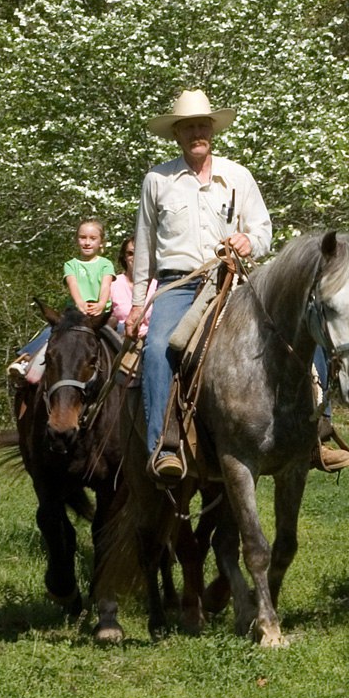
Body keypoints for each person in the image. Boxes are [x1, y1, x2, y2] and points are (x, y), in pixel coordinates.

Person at [125, 89, 272, 484]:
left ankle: (314, 429)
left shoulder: (238, 175)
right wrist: (139, 303)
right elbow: (143, 247)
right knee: (157, 350)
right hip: (179, 285)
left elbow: (263, 229)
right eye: (188, 126)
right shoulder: (157, 180)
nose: (196, 132)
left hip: (234, 281)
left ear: (212, 129)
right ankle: (164, 445)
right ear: (176, 134)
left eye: (202, 124)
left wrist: (249, 241)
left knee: (289, 330)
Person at [9, 219, 115, 380]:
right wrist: (80, 303)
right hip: (76, 315)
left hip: (101, 315)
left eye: (92, 238)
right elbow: (73, 285)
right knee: (52, 333)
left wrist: (100, 304)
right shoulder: (71, 265)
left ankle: (131, 375)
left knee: (121, 336)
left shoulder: (106, 264)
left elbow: (106, 286)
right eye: (82, 238)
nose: (87, 243)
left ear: (101, 242)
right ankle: (27, 360)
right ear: (76, 240)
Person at [109, 235, 156, 337]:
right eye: (130, 253)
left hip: (150, 338)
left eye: (140, 253)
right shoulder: (112, 284)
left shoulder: (156, 286)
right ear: (124, 257)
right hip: (120, 340)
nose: (135, 258)